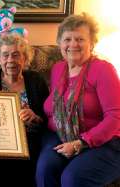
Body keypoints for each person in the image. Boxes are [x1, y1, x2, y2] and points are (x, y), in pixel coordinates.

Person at [35, 13, 120, 187]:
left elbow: (115, 117)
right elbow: (54, 110)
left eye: (80, 39)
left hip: (103, 143)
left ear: (92, 43)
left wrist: (80, 143)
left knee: (73, 178)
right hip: (59, 136)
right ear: (60, 43)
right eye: (67, 39)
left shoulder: (103, 70)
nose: (73, 44)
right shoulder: (58, 69)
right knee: (45, 169)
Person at [0, 33, 49, 186]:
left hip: (30, 138)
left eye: (16, 55)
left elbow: (48, 117)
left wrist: (35, 117)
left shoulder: (36, 81)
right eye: (5, 55)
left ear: (24, 58)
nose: (10, 60)